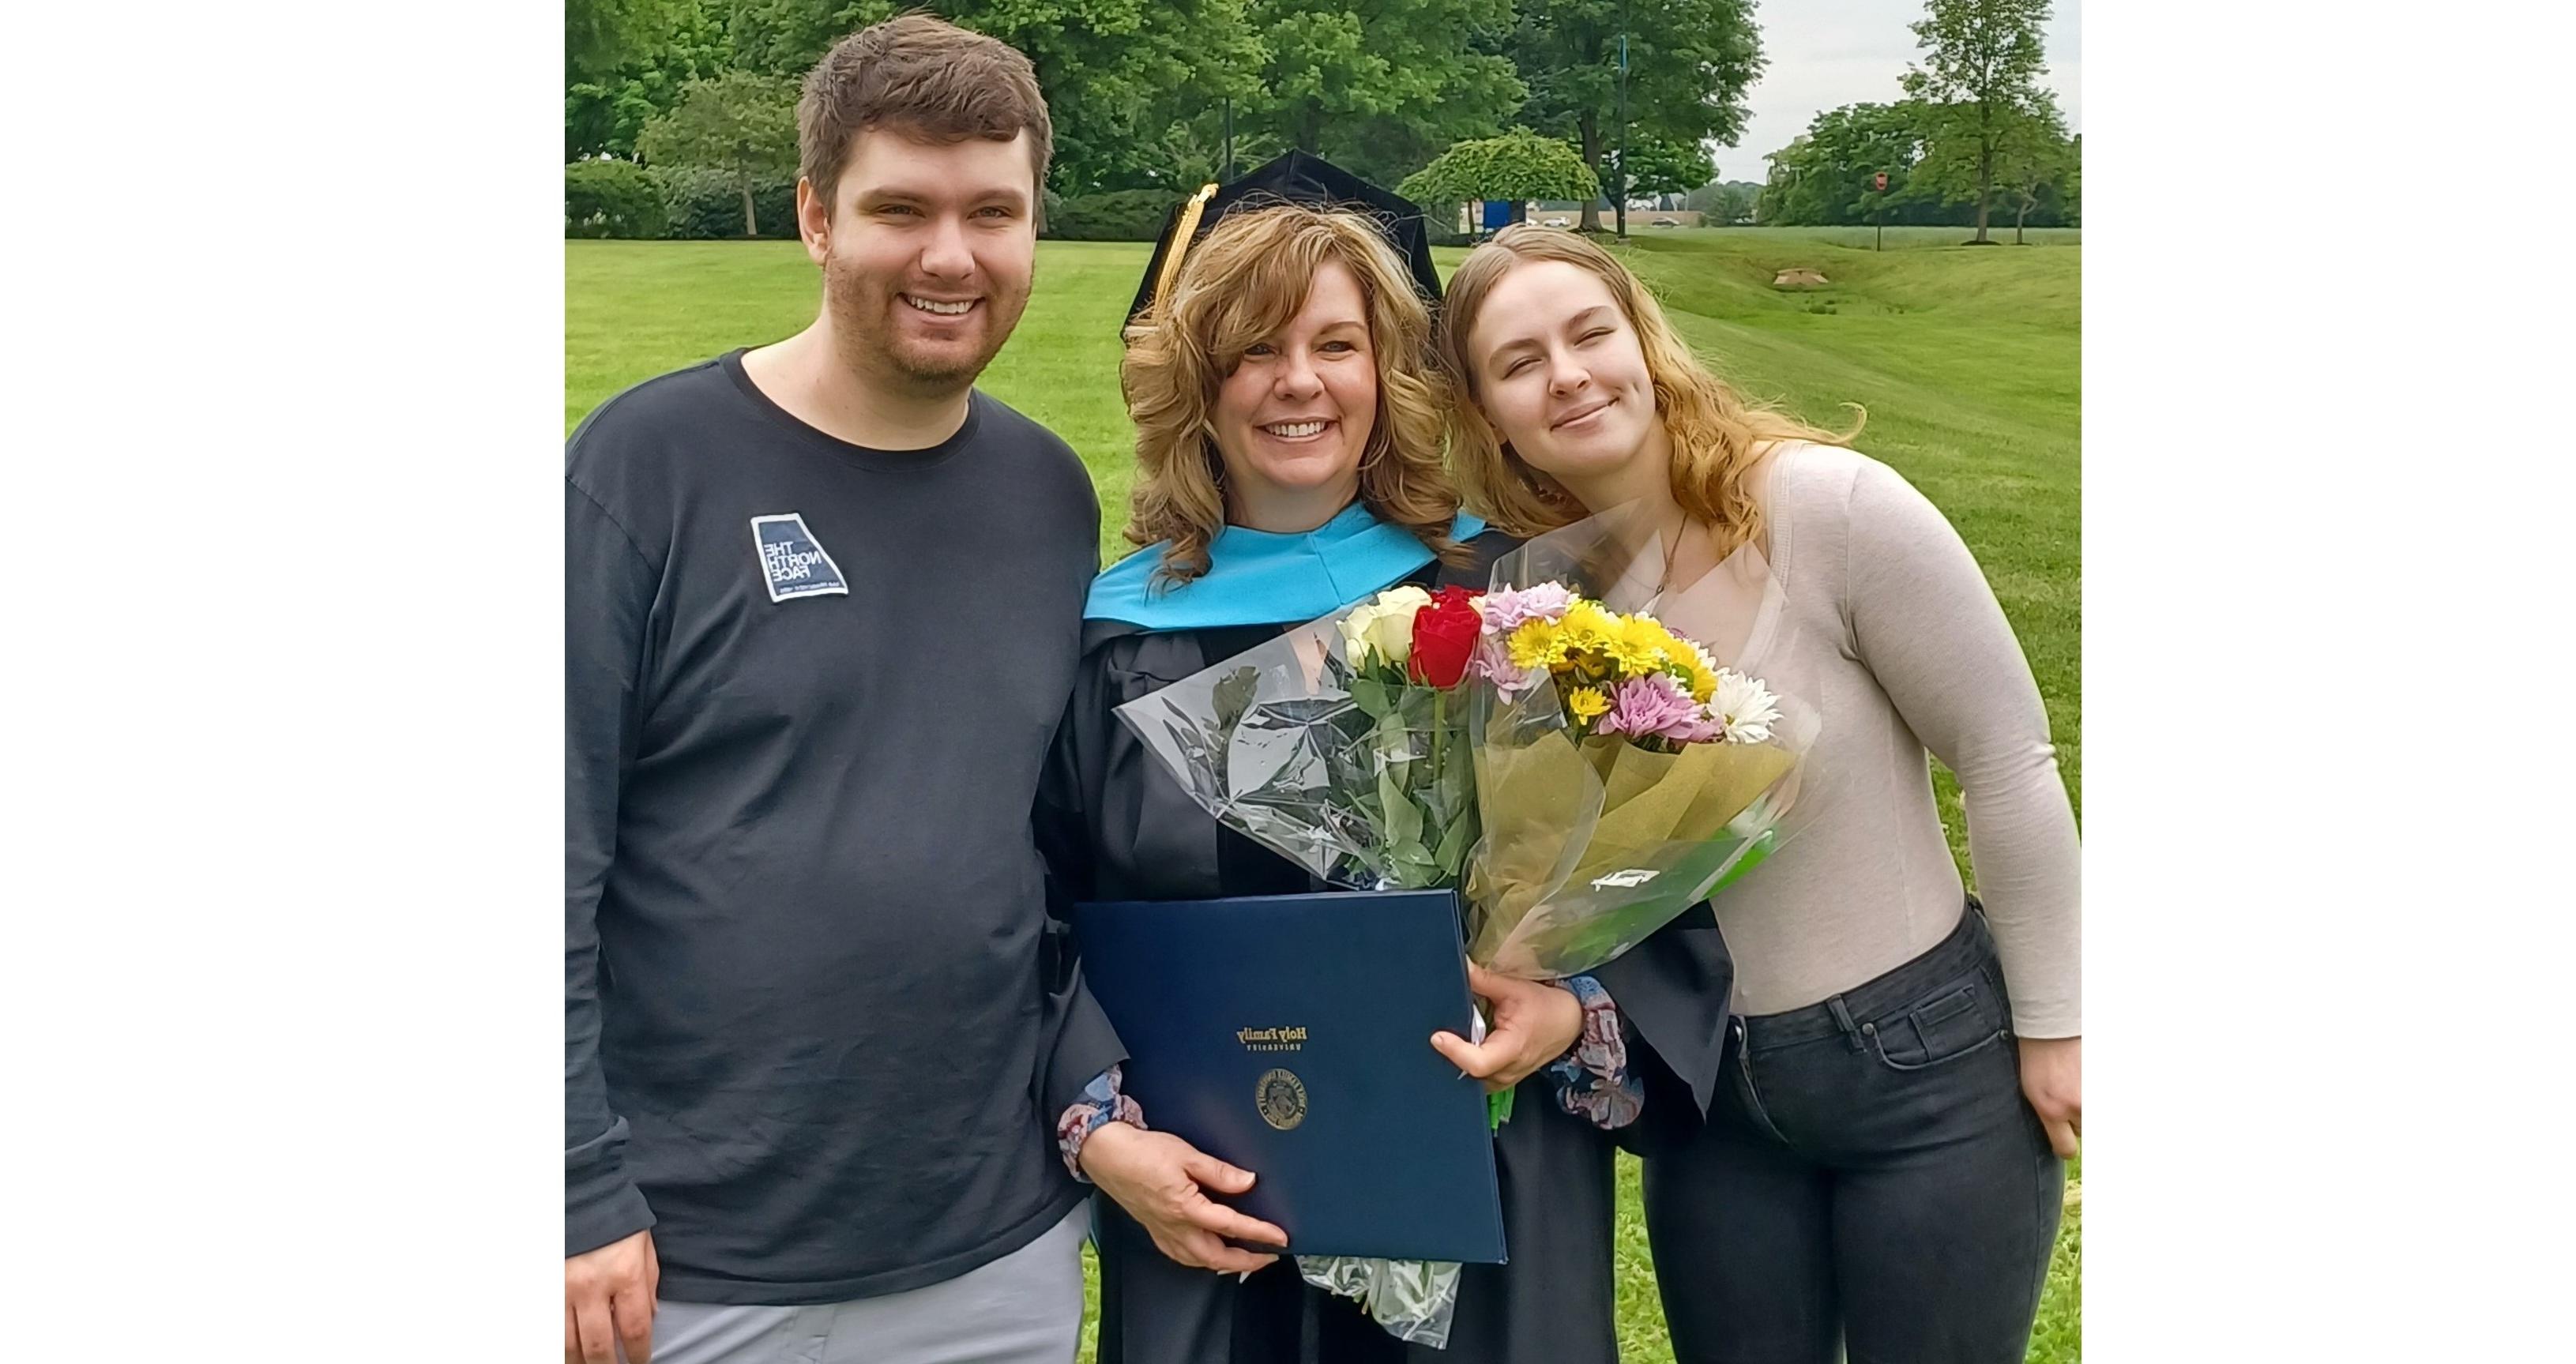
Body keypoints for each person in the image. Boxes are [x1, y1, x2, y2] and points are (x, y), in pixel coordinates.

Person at [1040, 189, 1732, 1364]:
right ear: (1196, 387)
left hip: (1481, 1168)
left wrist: (1570, 1016)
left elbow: (1634, 878)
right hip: (1214, 1192)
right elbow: (1033, 909)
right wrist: (1101, 1129)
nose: (1296, 381)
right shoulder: (1113, 643)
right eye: (1252, 350)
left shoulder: (1509, 600)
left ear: (1387, 373)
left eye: (1334, 345)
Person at [563, 17, 1123, 1364]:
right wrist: (570, 1182)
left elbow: (1046, 854)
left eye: (994, 211)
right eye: (900, 209)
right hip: (694, 1261)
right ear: (817, 217)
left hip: (995, 1248)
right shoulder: (649, 466)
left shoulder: (1047, 494)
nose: (951, 255)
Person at [1435, 222, 2083, 1364]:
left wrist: (2055, 1025)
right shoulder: (1539, 601)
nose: (1569, 374)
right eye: (1520, 361)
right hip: (1710, 1107)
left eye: (1591, 333)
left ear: (1646, 340)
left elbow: (2006, 760)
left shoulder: (1824, 508)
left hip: (1925, 1076)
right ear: (1486, 408)